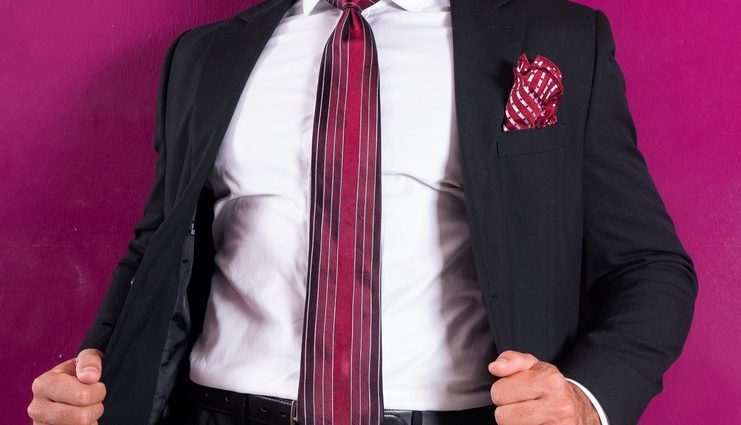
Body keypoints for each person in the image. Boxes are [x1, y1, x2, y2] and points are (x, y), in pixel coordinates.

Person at [27, 0, 698, 424]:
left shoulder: (558, 38)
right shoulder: (204, 57)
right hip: (219, 411)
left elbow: (649, 266)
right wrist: (89, 379)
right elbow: (156, 250)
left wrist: (586, 400)